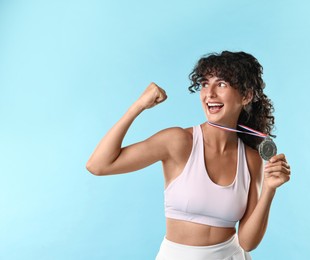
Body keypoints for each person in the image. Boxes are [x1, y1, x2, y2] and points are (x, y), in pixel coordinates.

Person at [86, 51, 291, 260]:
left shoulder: (251, 158)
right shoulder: (178, 142)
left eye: (221, 84)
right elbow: (98, 165)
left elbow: (247, 242)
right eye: (204, 83)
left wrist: (269, 189)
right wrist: (137, 107)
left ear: (246, 96)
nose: (209, 93)